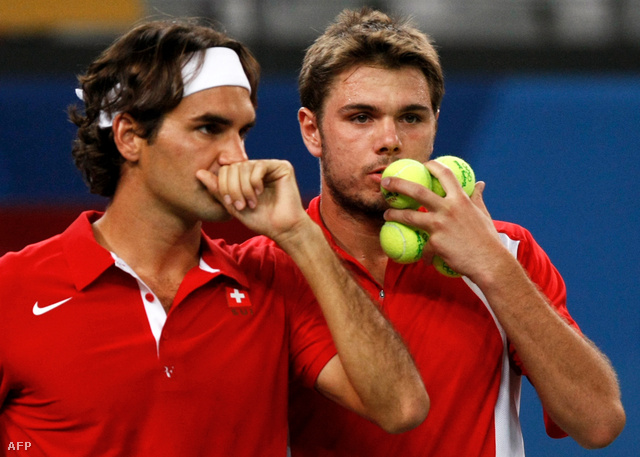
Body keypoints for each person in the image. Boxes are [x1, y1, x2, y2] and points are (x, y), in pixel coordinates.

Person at [0, 18, 429, 456]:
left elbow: (401, 407)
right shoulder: (11, 289)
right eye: (209, 128)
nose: (235, 157)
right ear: (129, 137)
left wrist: (300, 234)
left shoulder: (269, 278)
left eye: (242, 132)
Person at [275, 7, 626, 456]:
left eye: (412, 117)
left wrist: (491, 266)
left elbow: (598, 424)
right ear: (312, 131)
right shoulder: (266, 265)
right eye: (361, 117)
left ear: (435, 125)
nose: (390, 140)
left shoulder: (506, 251)